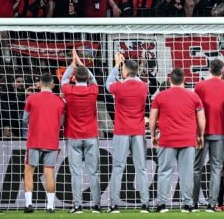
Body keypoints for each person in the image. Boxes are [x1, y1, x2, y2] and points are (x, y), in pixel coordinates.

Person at [150, 68, 206, 213]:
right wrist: (200, 135)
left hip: (167, 140)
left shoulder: (160, 97)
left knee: (164, 172)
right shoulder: (193, 97)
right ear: (184, 80)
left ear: (169, 80)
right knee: (186, 173)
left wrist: (153, 135)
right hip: (187, 140)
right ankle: (187, 205)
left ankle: (161, 204)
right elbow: (201, 118)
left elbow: (152, 118)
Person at [106, 54, 150, 213]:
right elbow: (137, 80)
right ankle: (145, 205)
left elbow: (108, 83)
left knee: (118, 167)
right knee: (141, 168)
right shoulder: (143, 86)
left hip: (121, 131)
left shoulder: (119, 87)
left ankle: (114, 205)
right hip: (138, 131)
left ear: (124, 71)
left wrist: (117, 64)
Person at [61, 49, 101, 213]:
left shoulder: (69, 91)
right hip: (91, 136)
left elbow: (63, 79)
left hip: (73, 136)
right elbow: (93, 79)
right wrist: (82, 64)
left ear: (74, 78)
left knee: (76, 173)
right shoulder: (94, 90)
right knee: (94, 172)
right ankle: (96, 205)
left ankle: (77, 206)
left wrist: (73, 64)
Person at [193, 59, 224, 212]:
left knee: (196, 168)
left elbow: (195, 111)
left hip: (202, 133)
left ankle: (193, 203)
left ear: (209, 69)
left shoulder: (199, 86)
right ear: (223, 70)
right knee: (216, 169)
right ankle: (211, 204)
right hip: (220, 132)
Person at [23, 72, 65, 214]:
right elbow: (62, 122)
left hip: (34, 140)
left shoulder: (31, 98)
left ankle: (29, 204)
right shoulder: (60, 101)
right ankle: (50, 206)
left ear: (39, 84)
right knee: (49, 172)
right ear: (53, 85)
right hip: (51, 141)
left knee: (29, 171)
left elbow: (24, 119)